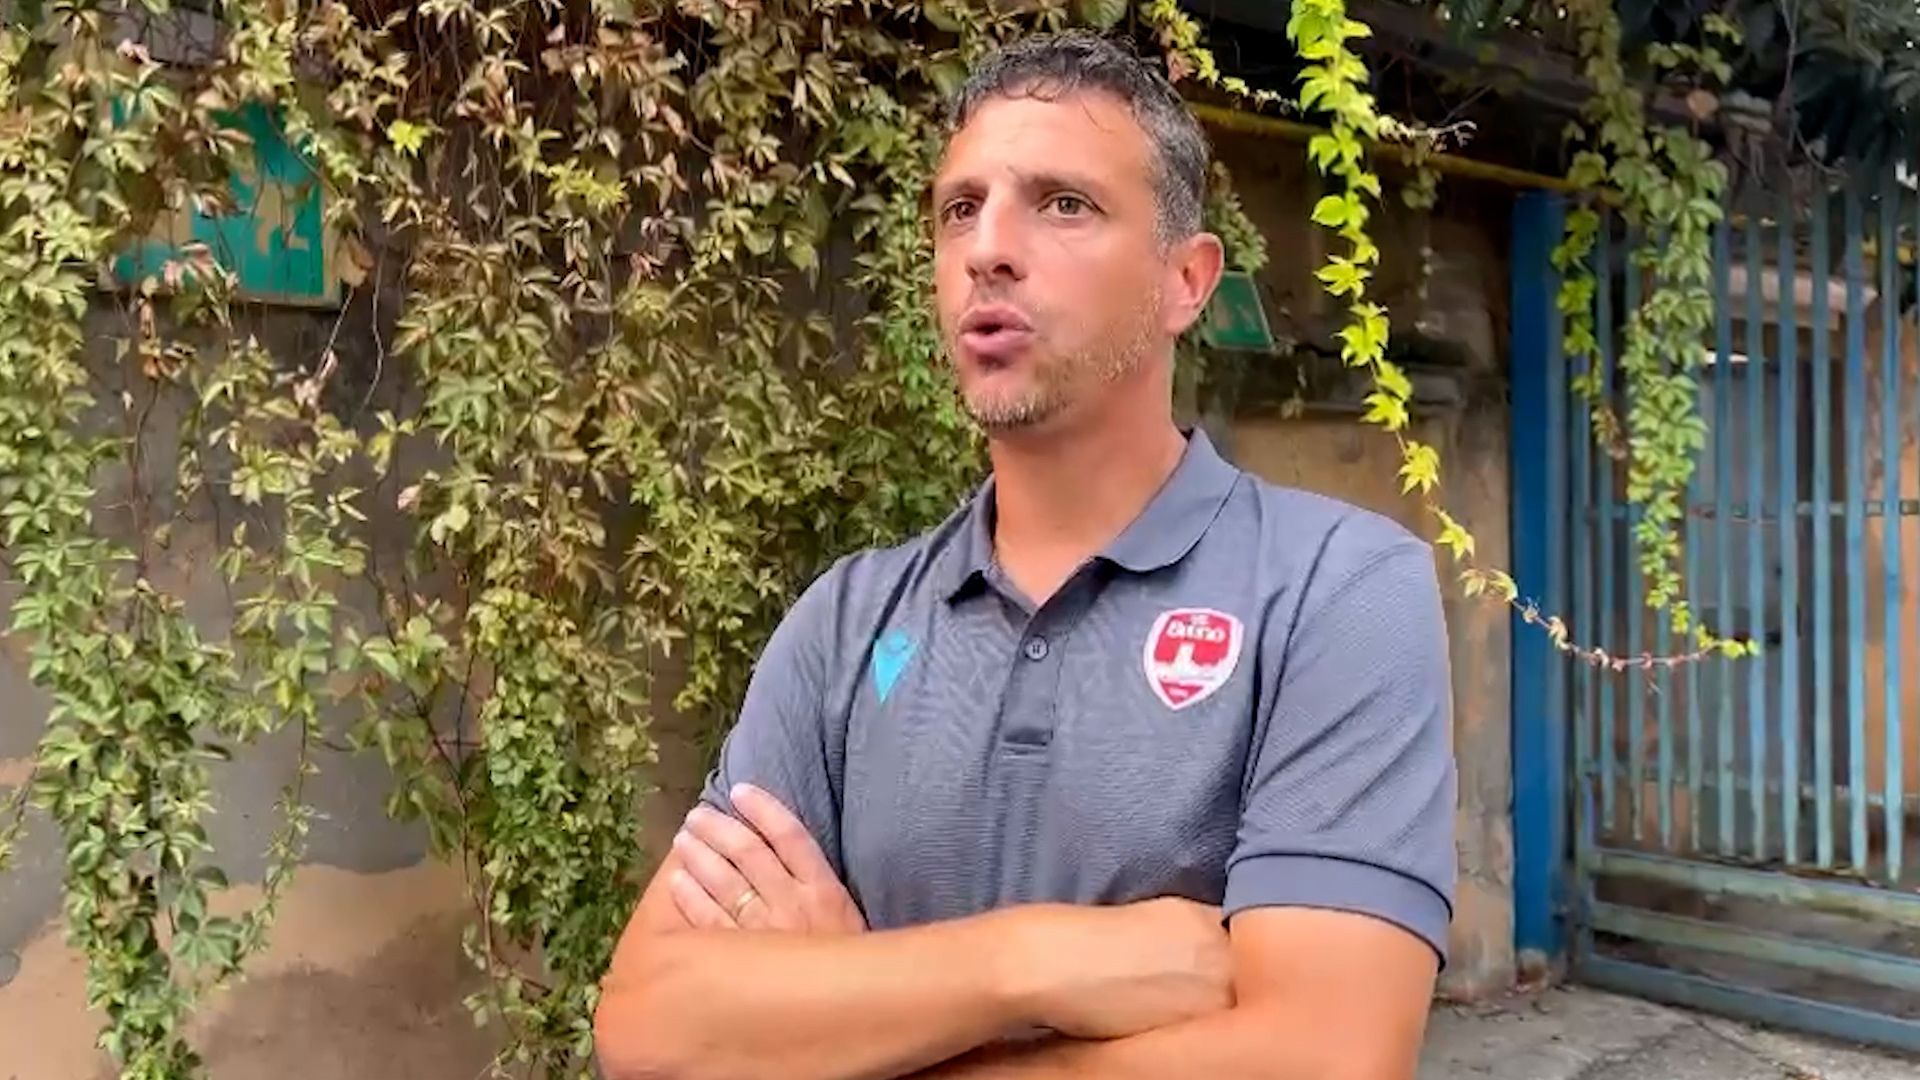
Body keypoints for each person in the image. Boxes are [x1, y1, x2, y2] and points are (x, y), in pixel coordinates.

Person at [593, 30, 1457, 1080]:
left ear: (1186, 280)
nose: (988, 249)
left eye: (1064, 204)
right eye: (961, 208)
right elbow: (647, 1027)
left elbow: (1325, 1058)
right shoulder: (845, 623)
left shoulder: (1335, 590)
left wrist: (854, 1022)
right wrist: (1027, 963)